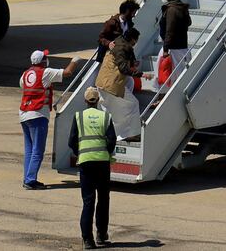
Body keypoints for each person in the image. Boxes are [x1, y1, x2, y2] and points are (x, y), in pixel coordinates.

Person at [20, 49, 81, 190]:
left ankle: (27, 178)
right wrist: (74, 61)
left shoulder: (25, 74)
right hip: (38, 115)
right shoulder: (45, 72)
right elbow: (67, 72)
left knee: (29, 149)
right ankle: (30, 180)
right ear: (43, 61)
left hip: (24, 114)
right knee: (38, 150)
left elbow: (29, 89)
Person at [69, 87, 116, 249]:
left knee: (88, 201)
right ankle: (101, 235)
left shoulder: (79, 116)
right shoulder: (105, 117)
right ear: (98, 101)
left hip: (85, 162)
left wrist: (80, 152)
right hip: (102, 162)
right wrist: (105, 152)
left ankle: (87, 240)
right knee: (103, 199)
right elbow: (111, 141)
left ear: (85, 100)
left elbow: (72, 141)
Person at [95, 28, 143, 142]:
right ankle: (130, 134)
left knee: (108, 109)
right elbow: (122, 67)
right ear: (132, 39)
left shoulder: (118, 42)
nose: (135, 43)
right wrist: (138, 73)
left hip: (102, 82)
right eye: (136, 40)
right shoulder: (122, 48)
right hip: (111, 84)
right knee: (133, 104)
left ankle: (106, 134)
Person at [157, 0, 192, 89]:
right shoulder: (181, 7)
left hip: (173, 48)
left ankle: (163, 96)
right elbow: (189, 22)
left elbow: (170, 30)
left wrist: (166, 49)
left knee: (168, 72)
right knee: (173, 73)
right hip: (181, 46)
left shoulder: (172, 10)